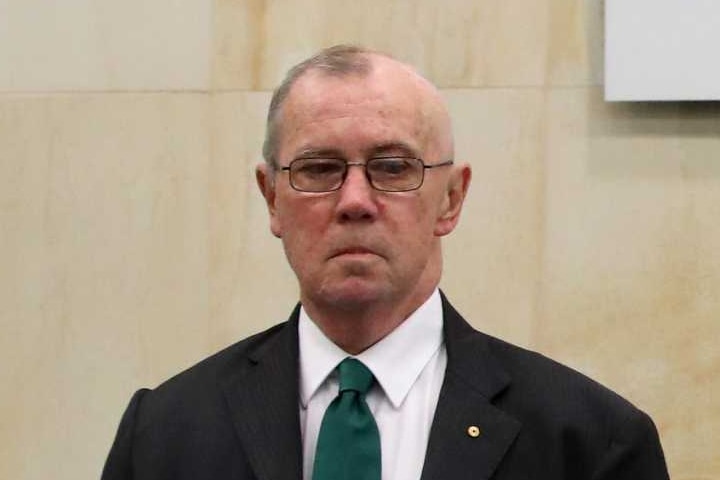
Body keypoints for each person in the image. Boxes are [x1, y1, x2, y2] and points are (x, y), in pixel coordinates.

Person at [102, 45, 670, 480]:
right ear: (272, 198)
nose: (354, 201)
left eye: (393, 167)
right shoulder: (162, 436)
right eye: (319, 169)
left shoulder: (591, 444)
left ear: (450, 199)